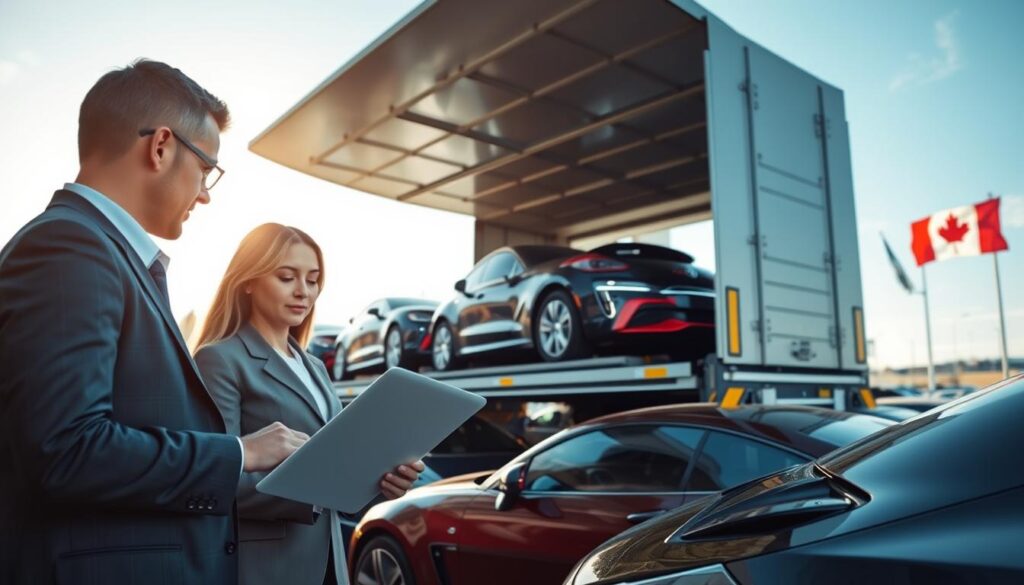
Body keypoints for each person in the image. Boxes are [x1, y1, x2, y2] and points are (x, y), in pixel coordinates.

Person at [0, 60, 309, 585]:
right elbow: (67, 450)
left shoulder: (99, 251)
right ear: (161, 147)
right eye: (207, 168)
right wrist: (242, 452)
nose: (206, 193)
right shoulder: (69, 248)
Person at [193, 223, 423, 585]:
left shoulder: (314, 366)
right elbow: (212, 475)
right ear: (248, 281)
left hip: (330, 559)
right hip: (266, 567)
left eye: (313, 279)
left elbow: (336, 465)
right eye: (287, 277)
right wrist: (317, 492)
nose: (303, 291)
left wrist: (382, 481)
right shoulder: (220, 359)